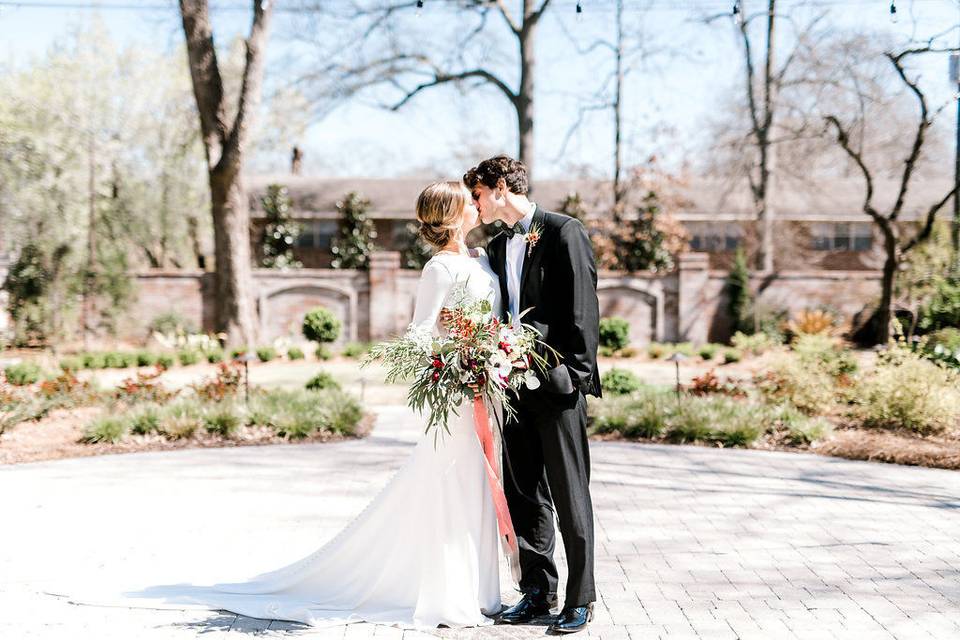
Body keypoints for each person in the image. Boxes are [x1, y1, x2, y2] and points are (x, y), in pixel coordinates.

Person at [51, 181, 505, 630]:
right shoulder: (439, 270)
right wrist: (455, 360)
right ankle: (448, 594)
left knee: (479, 486)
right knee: (450, 487)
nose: (475, 204)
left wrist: (496, 350)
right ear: (452, 214)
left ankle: (481, 590)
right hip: (456, 396)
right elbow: (420, 333)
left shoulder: (480, 260)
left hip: (487, 391)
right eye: (468, 201)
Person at [464, 155, 601, 634]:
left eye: (478, 194)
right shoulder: (499, 246)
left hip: (558, 387)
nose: (474, 204)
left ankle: (581, 599)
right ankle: (538, 592)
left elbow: (583, 308)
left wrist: (574, 376)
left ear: (500, 187)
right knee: (524, 494)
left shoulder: (564, 231)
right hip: (512, 387)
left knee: (569, 494)